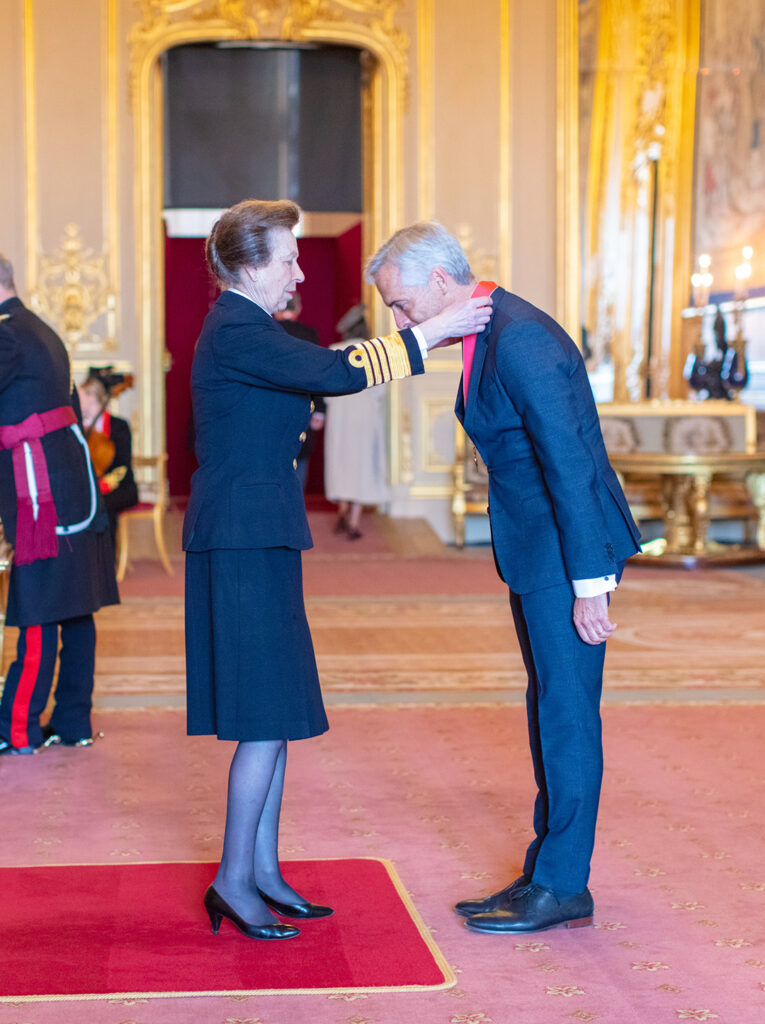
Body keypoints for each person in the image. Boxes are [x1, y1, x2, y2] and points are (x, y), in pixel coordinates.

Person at [183, 200, 491, 941]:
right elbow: (334, 370)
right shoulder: (235, 328)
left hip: (257, 532)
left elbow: (315, 377)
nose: (296, 269)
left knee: (276, 713)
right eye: (288, 257)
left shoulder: (250, 329)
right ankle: (232, 879)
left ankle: (260, 871)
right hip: (240, 539)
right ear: (252, 264)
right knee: (262, 718)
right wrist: (431, 332)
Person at [366, 222, 641, 934]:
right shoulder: (487, 333)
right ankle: (544, 872)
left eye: (399, 306)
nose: (398, 321)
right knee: (547, 706)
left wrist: (589, 583)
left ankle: (563, 886)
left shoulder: (517, 338)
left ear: (437, 281)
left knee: (568, 715)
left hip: (564, 552)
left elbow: (570, 464)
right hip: (538, 549)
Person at [0, 255, 120, 754]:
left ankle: (19, 729)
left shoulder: (7, 334)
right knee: (75, 608)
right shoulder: (40, 329)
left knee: (40, 606)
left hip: (42, 496)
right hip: (71, 488)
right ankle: (73, 723)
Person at [324, 304, 389, 539]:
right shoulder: (373, 352)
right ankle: (354, 520)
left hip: (340, 415)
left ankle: (342, 511)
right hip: (364, 415)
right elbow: (380, 391)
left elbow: (326, 389)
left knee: (340, 460)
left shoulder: (334, 350)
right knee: (361, 464)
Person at [77, 367, 139, 544]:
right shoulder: (79, 426)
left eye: (82, 393)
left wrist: (100, 487)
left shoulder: (118, 426)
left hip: (121, 487)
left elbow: (122, 467)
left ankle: (105, 562)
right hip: (92, 488)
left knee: (102, 505)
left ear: (92, 396)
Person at [273, 294, 326, 489]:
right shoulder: (309, 333)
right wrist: (319, 409)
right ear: (298, 307)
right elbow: (318, 374)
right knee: (299, 461)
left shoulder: (267, 331)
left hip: (271, 408)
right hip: (302, 406)